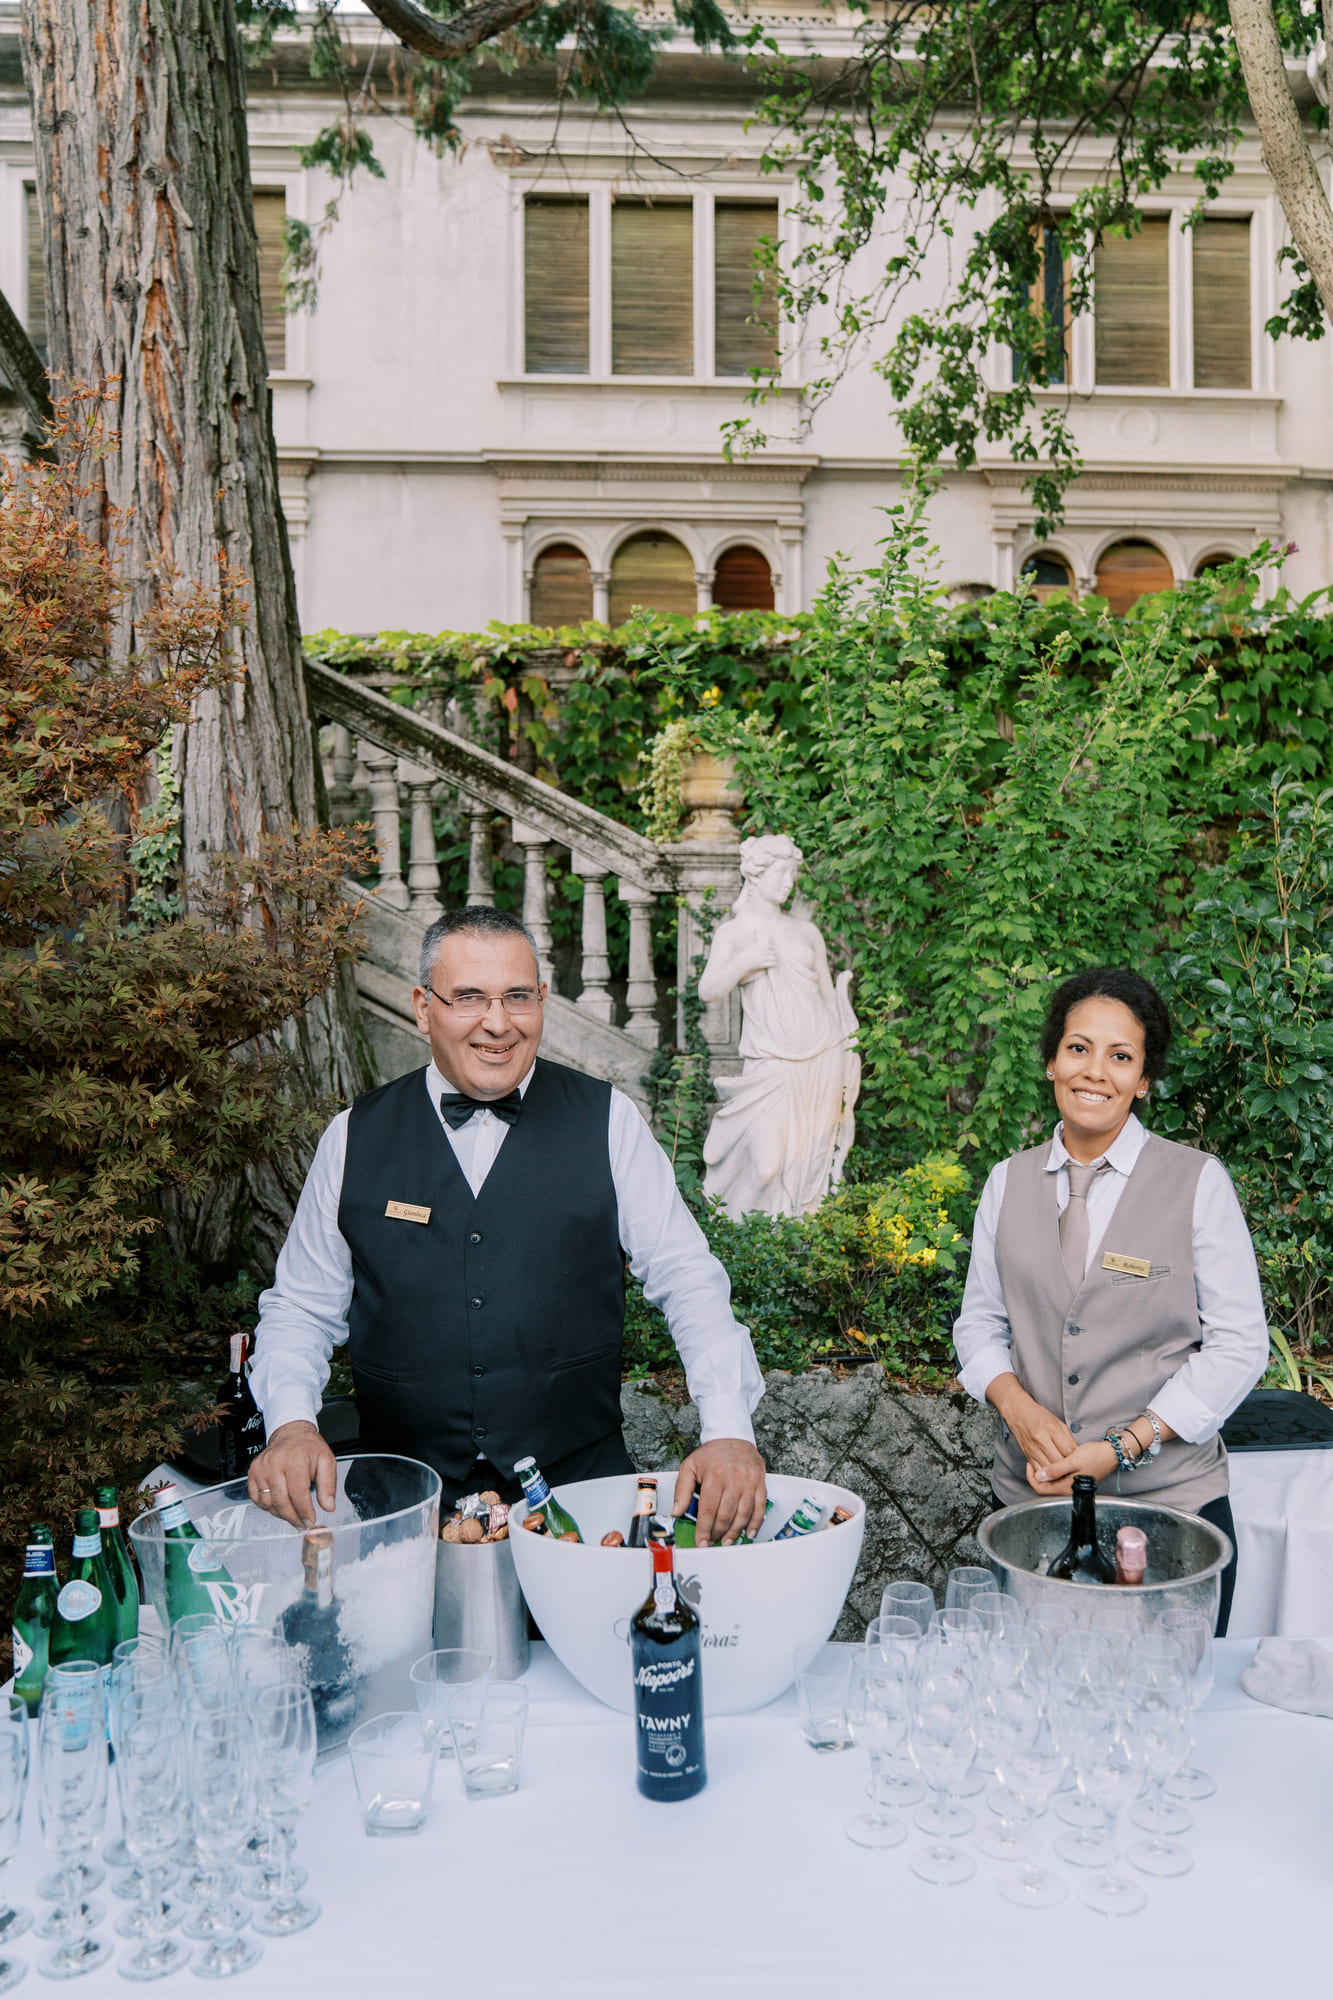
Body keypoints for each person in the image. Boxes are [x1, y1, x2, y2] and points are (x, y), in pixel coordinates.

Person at [247, 906, 768, 1546]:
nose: (498, 1024)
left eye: (517, 997)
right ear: (422, 1006)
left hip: (586, 1508)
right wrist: (292, 1425)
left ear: (543, 1000)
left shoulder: (608, 1121)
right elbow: (300, 1306)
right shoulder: (354, 1136)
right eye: (469, 998)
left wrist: (727, 1428)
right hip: (402, 1508)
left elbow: (687, 1277)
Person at [952, 966, 1269, 1633]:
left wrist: (1124, 1445)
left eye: (1119, 1056)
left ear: (1142, 1080)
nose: (1095, 1071)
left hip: (1168, 1508)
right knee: (1037, 1701)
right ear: (1050, 1062)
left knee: (1163, 1708)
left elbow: (1240, 1345)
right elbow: (979, 1320)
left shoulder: (1196, 1183)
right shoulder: (1005, 1183)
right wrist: (1013, 1405)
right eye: (1078, 1048)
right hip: (1028, 1507)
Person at [697, 834, 859, 1220]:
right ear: (756, 874)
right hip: (771, 1064)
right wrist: (746, 961)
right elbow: (708, 990)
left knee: (810, 1164)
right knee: (767, 1164)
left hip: (821, 1057)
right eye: (781, 873)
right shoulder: (735, 934)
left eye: (792, 874)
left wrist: (844, 1052)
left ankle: (794, 1251)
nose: (789, 882)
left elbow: (825, 995)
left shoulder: (807, 932)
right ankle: (735, 1242)